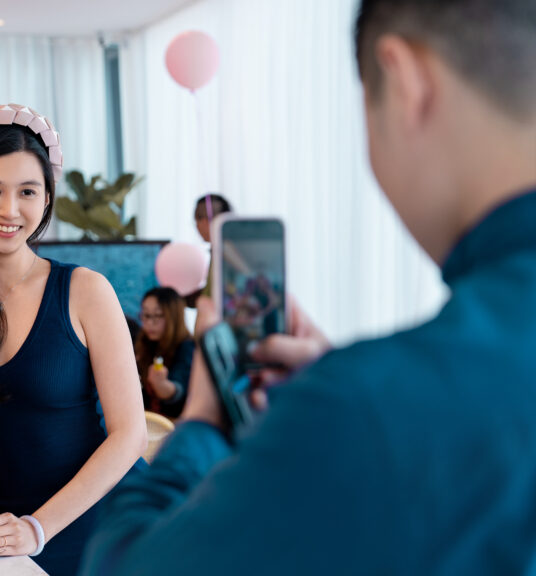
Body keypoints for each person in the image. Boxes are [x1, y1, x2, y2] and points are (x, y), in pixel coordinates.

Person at [81, 0, 536, 573]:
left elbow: (124, 566)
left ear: (404, 81)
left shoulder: (369, 406)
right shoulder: (376, 399)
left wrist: (202, 422)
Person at [0, 104, 147, 575]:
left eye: (27, 192)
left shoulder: (86, 291)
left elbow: (130, 434)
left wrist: (37, 528)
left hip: (96, 522)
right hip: (2, 528)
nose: (9, 210)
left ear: (46, 199)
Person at [135, 287, 194, 419]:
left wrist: (161, 385)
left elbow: (179, 390)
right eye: (146, 315)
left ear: (173, 317)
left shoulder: (187, 347)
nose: (150, 323)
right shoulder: (144, 343)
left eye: (158, 315)